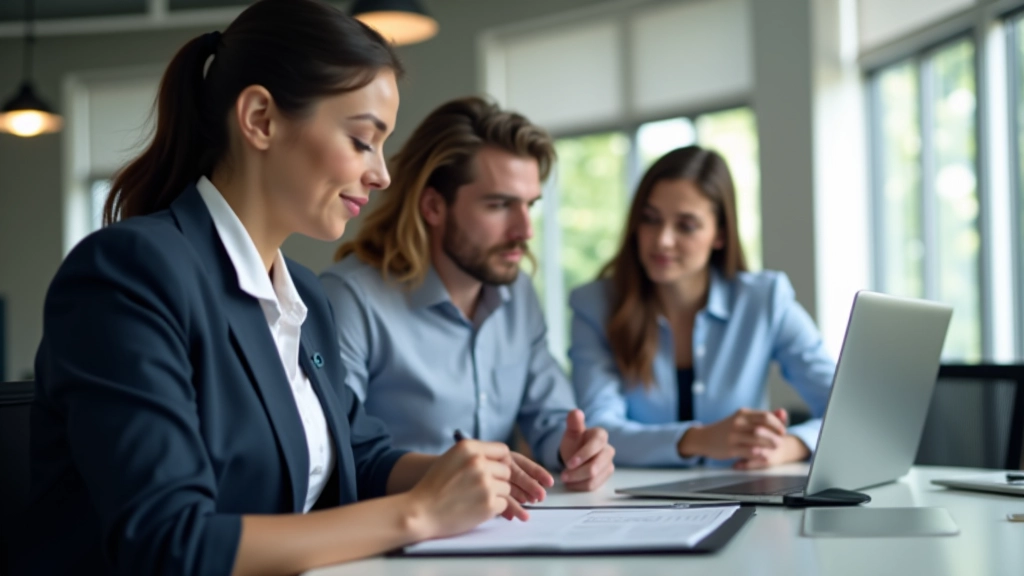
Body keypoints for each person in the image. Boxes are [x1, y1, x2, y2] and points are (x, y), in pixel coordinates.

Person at [15, 3, 554, 575]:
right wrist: (419, 513)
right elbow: (168, 540)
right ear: (261, 119)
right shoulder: (128, 273)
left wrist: (466, 472)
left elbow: (360, 455)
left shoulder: (301, 293)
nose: (382, 174)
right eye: (361, 140)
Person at [321, 96, 615, 492]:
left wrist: (575, 452)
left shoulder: (518, 294)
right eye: (499, 205)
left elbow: (549, 419)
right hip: (394, 534)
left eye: (530, 205)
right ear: (433, 207)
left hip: (497, 529)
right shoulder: (349, 299)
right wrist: (454, 474)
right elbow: (334, 450)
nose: (525, 230)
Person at [568, 145, 836, 469]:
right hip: (631, 504)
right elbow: (598, 432)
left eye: (686, 225)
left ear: (720, 234)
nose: (663, 240)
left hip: (744, 499)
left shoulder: (764, 300)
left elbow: (847, 411)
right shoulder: (594, 306)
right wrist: (699, 439)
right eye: (650, 219)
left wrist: (790, 446)